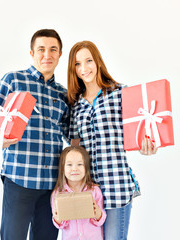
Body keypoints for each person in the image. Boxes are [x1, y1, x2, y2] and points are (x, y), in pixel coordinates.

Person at [0, 29, 70, 240]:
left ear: (60, 54)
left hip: (51, 184)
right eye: (41, 49)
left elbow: (71, 135)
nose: (47, 55)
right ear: (32, 53)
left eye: (53, 50)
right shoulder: (13, 80)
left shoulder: (62, 94)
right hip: (19, 178)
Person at [67, 40, 157, 240]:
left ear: (97, 62)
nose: (84, 68)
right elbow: (75, 149)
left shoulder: (120, 93)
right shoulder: (75, 105)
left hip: (116, 186)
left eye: (88, 61)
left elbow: (139, 133)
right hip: (88, 192)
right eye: (77, 64)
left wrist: (146, 147)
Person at [51, 146, 106, 240]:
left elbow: (101, 221)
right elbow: (60, 225)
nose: (74, 169)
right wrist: (57, 218)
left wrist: (97, 213)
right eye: (69, 165)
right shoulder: (58, 194)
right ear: (62, 168)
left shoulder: (94, 191)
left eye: (79, 164)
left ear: (86, 167)